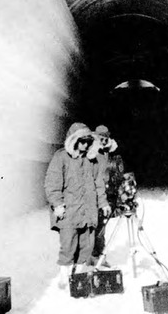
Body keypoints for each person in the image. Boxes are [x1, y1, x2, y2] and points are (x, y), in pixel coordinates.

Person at [44, 122, 111, 289]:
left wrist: (103, 203)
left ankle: (79, 277)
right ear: (74, 140)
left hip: (89, 211)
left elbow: (98, 183)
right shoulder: (61, 157)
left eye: (88, 141)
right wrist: (57, 204)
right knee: (68, 246)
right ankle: (64, 276)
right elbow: (52, 184)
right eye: (82, 140)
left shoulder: (92, 160)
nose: (85, 144)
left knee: (87, 246)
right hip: (69, 212)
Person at [89, 125, 126, 267]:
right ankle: (92, 255)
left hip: (108, 194)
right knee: (94, 226)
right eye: (100, 138)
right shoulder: (91, 153)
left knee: (102, 226)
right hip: (95, 194)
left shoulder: (111, 153)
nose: (103, 141)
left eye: (105, 138)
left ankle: (99, 255)